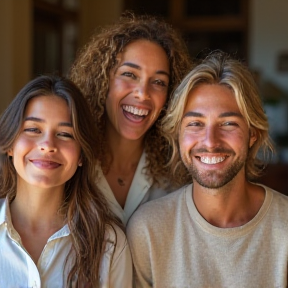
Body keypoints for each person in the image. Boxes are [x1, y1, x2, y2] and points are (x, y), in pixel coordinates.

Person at [127, 51, 288, 287]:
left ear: (252, 134)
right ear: (178, 134)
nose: (210, 141)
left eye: (228, 124)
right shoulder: (148, 230)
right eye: (195, 124)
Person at [0, 75, 132, 287]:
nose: (47, 145)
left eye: (64, 134)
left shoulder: (109, 243)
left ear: (81, 155)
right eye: (33, 129)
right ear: (10, 145)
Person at [69, 12, 192, 225]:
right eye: (129, 75)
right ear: (103, 80)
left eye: (159, 82)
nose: (143, 94)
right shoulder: (70, 160)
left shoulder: (179, 173)